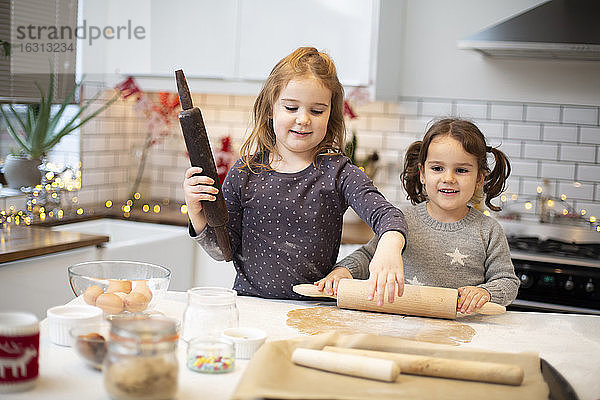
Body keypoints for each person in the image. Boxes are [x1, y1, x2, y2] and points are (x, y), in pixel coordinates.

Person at [183, 47, 407, 305]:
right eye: (291, 107)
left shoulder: (338, 173)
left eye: (317, 111)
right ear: (270, 109)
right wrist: (196, 212)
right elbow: (222, 250)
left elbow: (389, 216)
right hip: (250, 307)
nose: (303, 119)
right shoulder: (245, 172)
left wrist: (389, 245)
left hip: (314, 311)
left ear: (330, 115)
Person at [334, 118, 520, 314]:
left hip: (463, 333)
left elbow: (507, 281)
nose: (448, 178)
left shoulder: (488, 230)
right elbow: (368, 256)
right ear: (422, 173)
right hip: (404, 327)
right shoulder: (401, 221)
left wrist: (485, 293)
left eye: (461, 170)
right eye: (437, 168)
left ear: (479, 178)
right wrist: (344, 271)